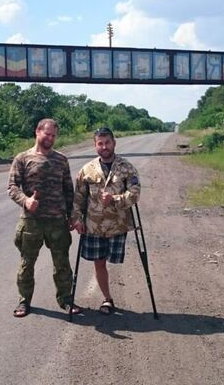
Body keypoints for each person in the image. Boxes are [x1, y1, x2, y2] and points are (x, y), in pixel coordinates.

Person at [7, 118, 82, 318]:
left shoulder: (61, 160)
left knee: (62, 264)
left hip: (57, 221)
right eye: (47, 134)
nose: (50, 138)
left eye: (54, 135)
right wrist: (25, 201)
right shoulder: (22, 158)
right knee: (27, 263)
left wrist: (72, 216)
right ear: (37, 132)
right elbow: (12, 187)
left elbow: (68, 190)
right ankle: (24, 301)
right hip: (32, 221)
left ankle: (66, 299)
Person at [71, 127, 141, 315]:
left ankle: (109, 297)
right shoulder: (86, 170)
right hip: (94, 227)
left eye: (107, 142)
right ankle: (107, 299)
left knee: (113, 261)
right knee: (99, 262)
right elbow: (78, 198)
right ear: (95, 145)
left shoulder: (127, 168)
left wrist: (115, 199)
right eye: (100, 143)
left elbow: (135, 195)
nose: (104, 147)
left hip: (118, 226)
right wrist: (77, 219)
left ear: (114, 143)